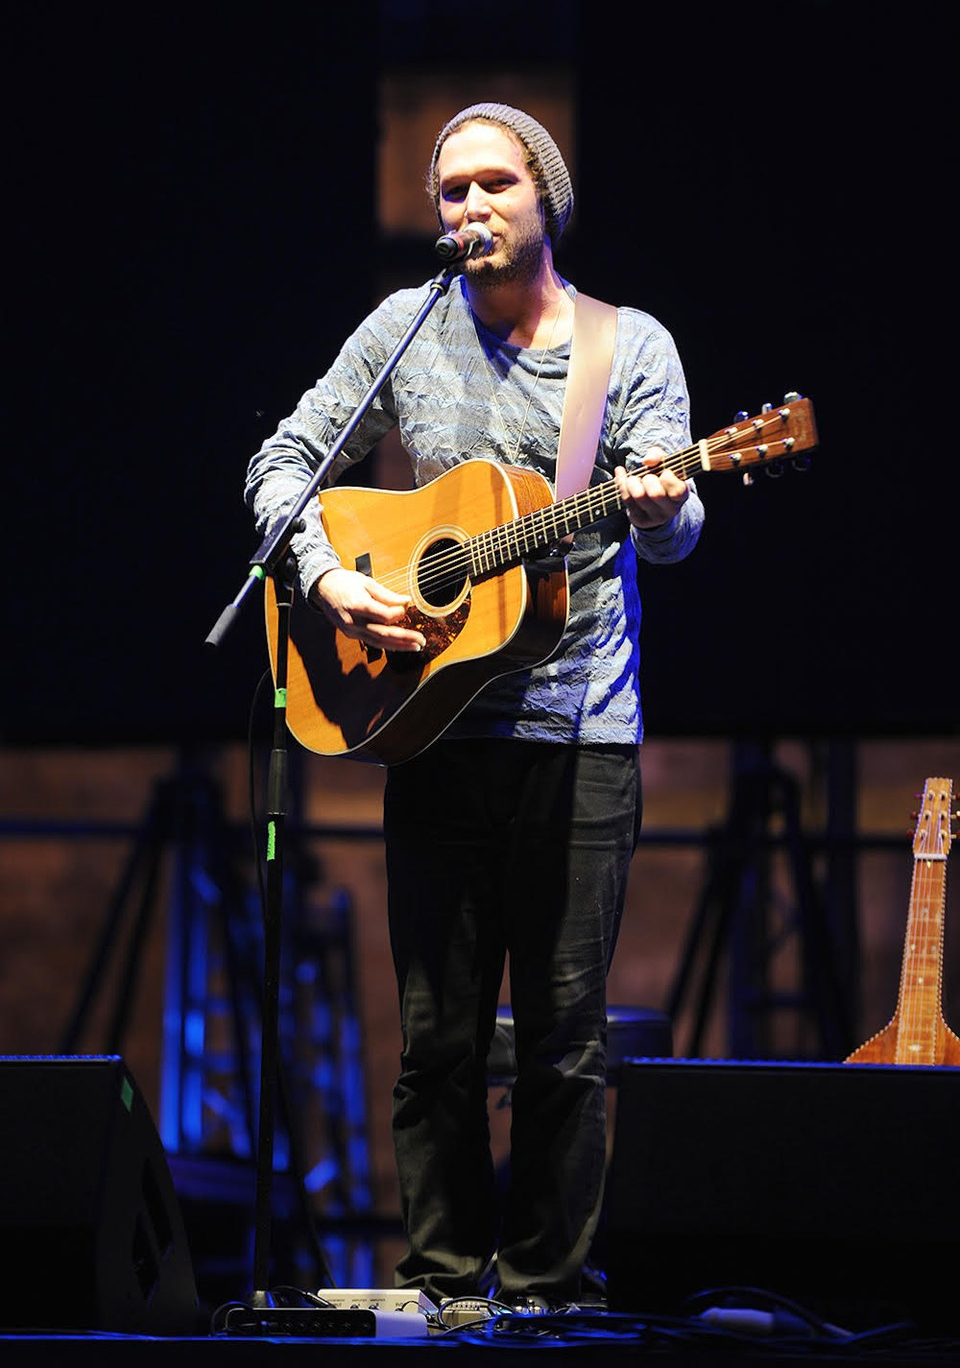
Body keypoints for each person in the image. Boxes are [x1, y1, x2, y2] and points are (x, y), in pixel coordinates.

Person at [245, 102, 704, 1311]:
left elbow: (679, 530)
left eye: (496, 185)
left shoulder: (628, 347)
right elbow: (284, 463)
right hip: (433, 726)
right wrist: (334, 578)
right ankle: (446, 1282)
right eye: (451, 192)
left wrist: (666, 507)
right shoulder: (405, 329)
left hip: (577, 733)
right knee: (437, 1040)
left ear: (546, 198)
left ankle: (551, 1287)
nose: (471, 209)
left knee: (564, 1039)